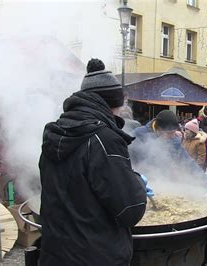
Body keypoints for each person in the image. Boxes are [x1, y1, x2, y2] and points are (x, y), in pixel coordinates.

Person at [39, 59, 147, 265]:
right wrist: (138, 182)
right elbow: (130, 210)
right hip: (96, 256)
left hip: (55, 254)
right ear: (113, 104)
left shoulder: (54, 132)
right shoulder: (104, 138)